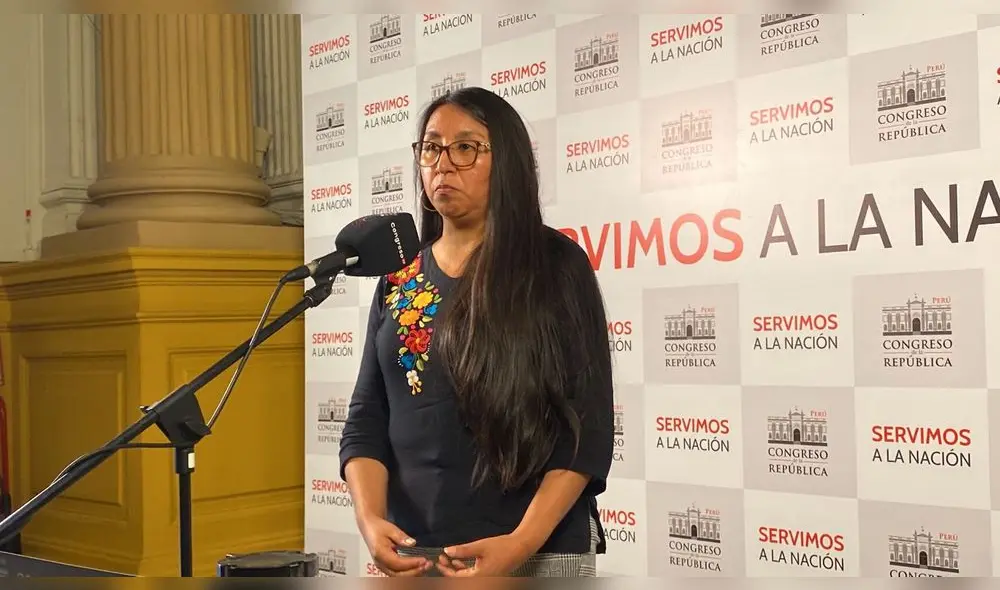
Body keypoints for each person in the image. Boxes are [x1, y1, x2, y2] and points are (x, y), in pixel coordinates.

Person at [338, 86, 614, 578]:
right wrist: (370, 519)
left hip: (537, 551)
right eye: (431, 147)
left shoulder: (555, 266)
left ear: (505, 162)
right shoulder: (399, 278)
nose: (443, 162)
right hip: (417, 552)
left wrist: (521, 544)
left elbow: (585, 427)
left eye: (466, 147)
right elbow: (366, 418)